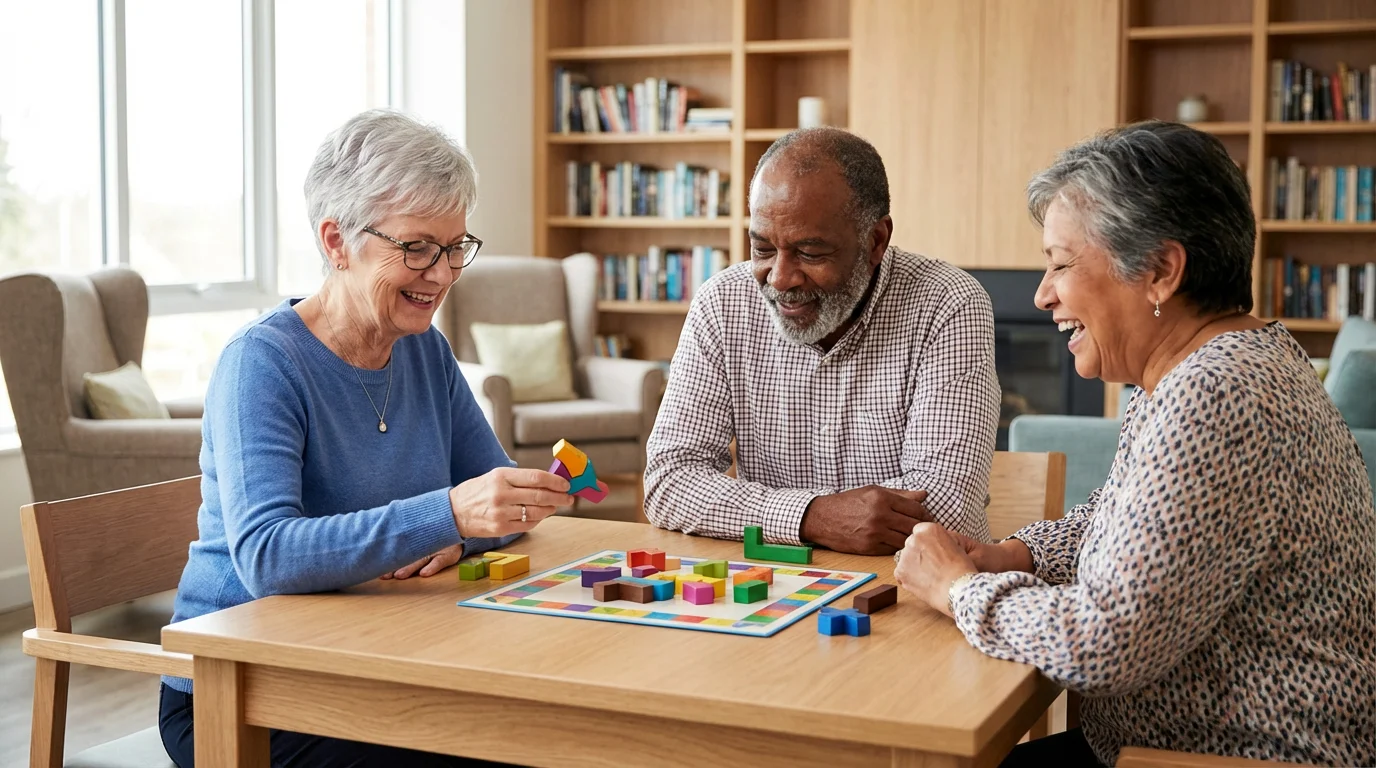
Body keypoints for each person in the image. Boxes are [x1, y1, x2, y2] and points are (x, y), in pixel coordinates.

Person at [895, 121, 1376, 767]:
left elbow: (1102, 648)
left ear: (1160, 271)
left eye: (1061, 263)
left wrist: (957, 590)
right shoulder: (1204, 366)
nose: (1043, 294)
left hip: (1233, 757)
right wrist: (1017, 554)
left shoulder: (1220, 394)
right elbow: (1121, 516)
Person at [158, 110, 571, 767]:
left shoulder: (424, 353)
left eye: (455, 246)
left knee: (549, 728)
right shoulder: (261, 364)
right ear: (336, 241)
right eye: (416, 248)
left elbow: (500, 503)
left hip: (374, 661)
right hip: (244, 690)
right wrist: (447, 514)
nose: (441, 274)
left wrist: (459, 531)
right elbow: (266, 554)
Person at [644, 127, 1001, 555]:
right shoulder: (722, 303)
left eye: (810, 254)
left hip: (917, 590)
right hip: (776, 584)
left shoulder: (948, 303)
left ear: (876, 241)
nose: (779, 279)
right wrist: (811, 516)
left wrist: (755, 513)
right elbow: (668, 481)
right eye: (762, 248)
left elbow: (946, 509)